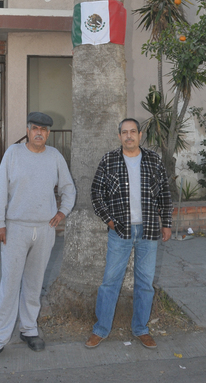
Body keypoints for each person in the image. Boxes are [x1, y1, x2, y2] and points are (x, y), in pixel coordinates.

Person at [0, 111, 76, 365]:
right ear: (28, 130)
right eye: (35, 128)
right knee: (10, 284)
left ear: (48, 133)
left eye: (43, 130)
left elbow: (68, 188)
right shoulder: (13, 154)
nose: (39, 133)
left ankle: (29, 329)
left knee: (34, 283)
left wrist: (62, 212)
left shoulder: (55, 157)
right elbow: (0, 189)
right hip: (16, 228)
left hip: (44, 229)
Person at [85, 118, 172, 350]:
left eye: (133, 131)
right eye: (125, 132)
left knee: (145, 283)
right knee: (110, 282)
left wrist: (166, 224)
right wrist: (109, 221)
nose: (129, 136)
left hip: (148, 230)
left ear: (140, 135)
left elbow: (164, 193)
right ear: (119, 136)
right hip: (120, 231)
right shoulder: (109, 160)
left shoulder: (153, 159)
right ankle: (101, 329)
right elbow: (96, 193)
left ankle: (141, 329)